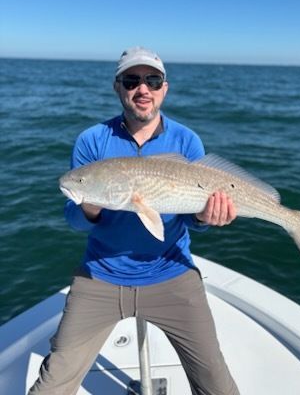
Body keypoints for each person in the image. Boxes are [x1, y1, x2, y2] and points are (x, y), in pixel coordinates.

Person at [29, 47, 240, 395]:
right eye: (132, 80)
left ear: (164, 89)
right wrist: (90, 208)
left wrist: (206, 216)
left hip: (172, 273)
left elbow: (193, 218)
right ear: (118, 87)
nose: (143, 89)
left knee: (217, 382)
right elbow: (73, 217)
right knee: (52, 382)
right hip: (101, 275)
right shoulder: (92, 141)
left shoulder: (186, 140)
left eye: (152, 80)